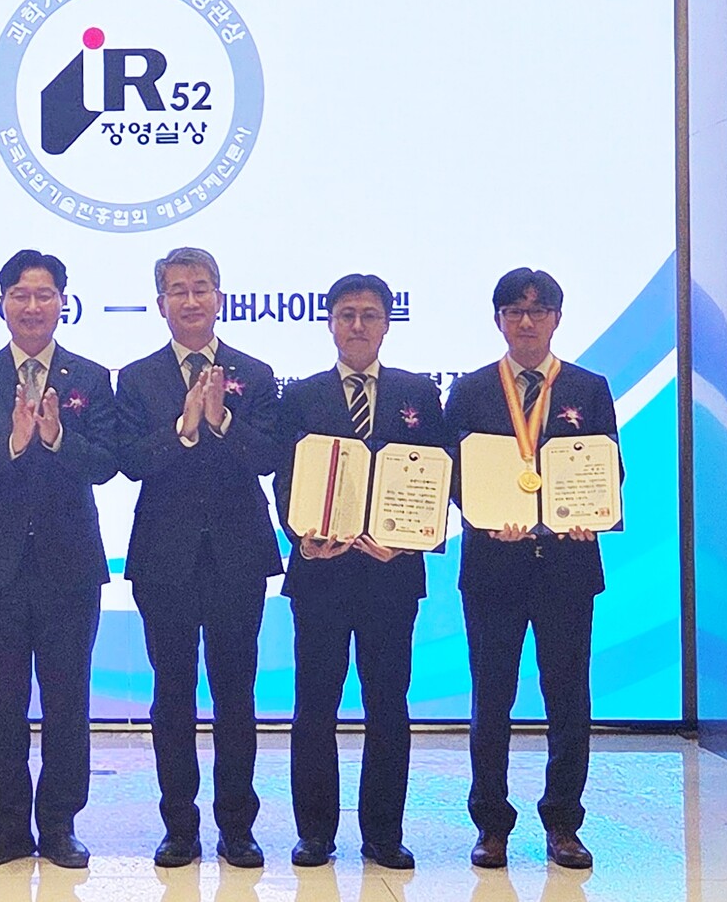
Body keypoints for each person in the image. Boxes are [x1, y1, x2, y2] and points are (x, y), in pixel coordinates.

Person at [443, 267, 621, 870]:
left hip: (567, 566)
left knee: (568, 699)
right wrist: (485, 514)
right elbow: (454, 477)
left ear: (557, 319)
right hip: (494, 567)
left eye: (538, 310)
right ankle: (491, 825)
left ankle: (563, 824)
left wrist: (591, 512)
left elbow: (609, 470)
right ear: (498, 319)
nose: (526, 321)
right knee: (492, 699)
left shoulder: (589, 388)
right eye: (514, 311)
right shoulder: (468, 390)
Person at [0, 249, 118, 870]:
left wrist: (56, 439)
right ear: (2, 304)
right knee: (1, 703)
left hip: (70, 565)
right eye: (20, 295)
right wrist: (14, 444)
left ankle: (60, 824)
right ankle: (9, 826)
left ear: (62, 303)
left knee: (67, 700)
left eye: (45, 295)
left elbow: (106, 463)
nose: (33, 306)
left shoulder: (91, 377)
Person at [115, 246, 281, 869]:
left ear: (219, 297)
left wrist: (224, 421)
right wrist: (186, 426)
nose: (190, 299)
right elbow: (130, 461)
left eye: (201, 288)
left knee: (236, 694)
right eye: (177, 290)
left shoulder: (256, 372)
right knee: (173, 694)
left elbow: (268, 456)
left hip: (238, 556)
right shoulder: (137, 378)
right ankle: (179, 826)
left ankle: (237, 827)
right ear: (160, 304)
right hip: (164, 559)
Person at [274, 274, 445, 870]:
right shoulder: (301, 395)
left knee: (388, 705)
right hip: (321, 574)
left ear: (388, 323)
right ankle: (315, 832)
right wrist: (303, 538)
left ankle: (383, 835)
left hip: (391, 576)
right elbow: (287, 481)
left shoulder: (417, 392)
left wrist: (408, 541)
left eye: (369, 315)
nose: (357, 325)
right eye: (346, 314)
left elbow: (435, 475)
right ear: (328, 322)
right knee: (314, 705)